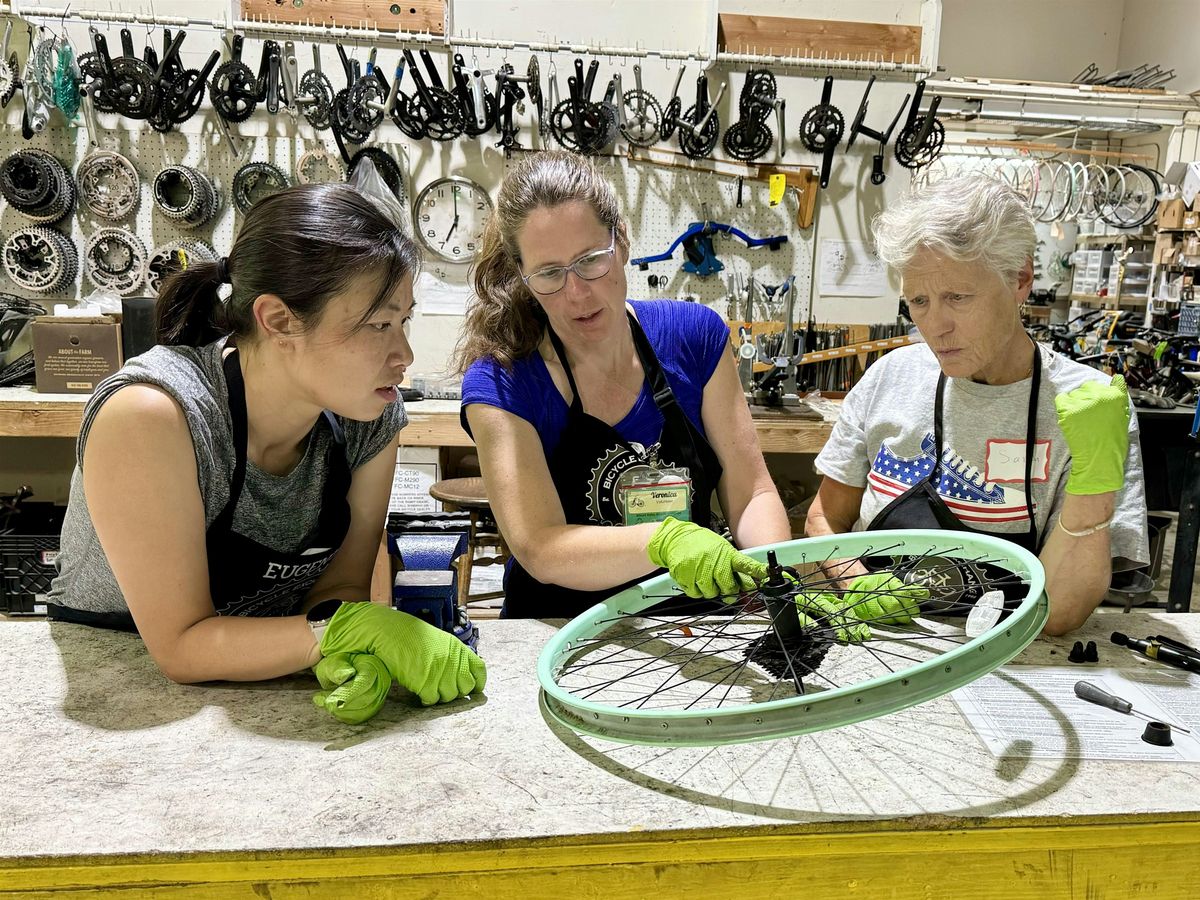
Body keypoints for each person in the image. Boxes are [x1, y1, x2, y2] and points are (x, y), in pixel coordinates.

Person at [47, 184, 485, 724]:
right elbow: (181, 647)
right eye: (377, 325)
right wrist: (335, 635)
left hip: (267, 675)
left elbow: (340, 588)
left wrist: (340, 643)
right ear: (279, 321)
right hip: (121, 680)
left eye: (403, 322)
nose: (404, 355)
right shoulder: (153, 415)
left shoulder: (367, 420)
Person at [806, 176, 1149, 636]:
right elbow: (825, 517)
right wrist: (860, 588)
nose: (936, 326)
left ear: (1020, 279)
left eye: (957, 298)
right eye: (919, 302)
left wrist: (1097, 484)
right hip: (883, 643)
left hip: (1016, 654)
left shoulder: (1085, 408)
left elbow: (1060, 613)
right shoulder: (890, 378)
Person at [455, 150, 792, 618]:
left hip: (692, 627)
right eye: (549, 273)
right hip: (558, 629)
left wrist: (777, 585)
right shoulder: (503, 380)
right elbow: (540, 546)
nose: (576, 293)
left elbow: (751, 490)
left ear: (623, 242)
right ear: (523, 277)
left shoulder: (696, 339)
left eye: (591, 260)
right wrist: (662, 541)